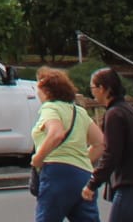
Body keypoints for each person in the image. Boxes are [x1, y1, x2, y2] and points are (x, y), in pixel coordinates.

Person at [30, 66, 103, 222]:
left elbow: (56, 133)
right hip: (83, 175)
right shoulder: (79, 112)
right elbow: (100, 143)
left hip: (56, 173)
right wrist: (80, 162)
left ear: (47, 91)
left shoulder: (50, 108)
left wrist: (38, 157)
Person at [87, 67, 133, 222]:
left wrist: (93, 183)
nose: (92, 93)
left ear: (104, 89)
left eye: (93, 88)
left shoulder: (114, 114)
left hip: (130, 188)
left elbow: (111, 154)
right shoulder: (131, 111)